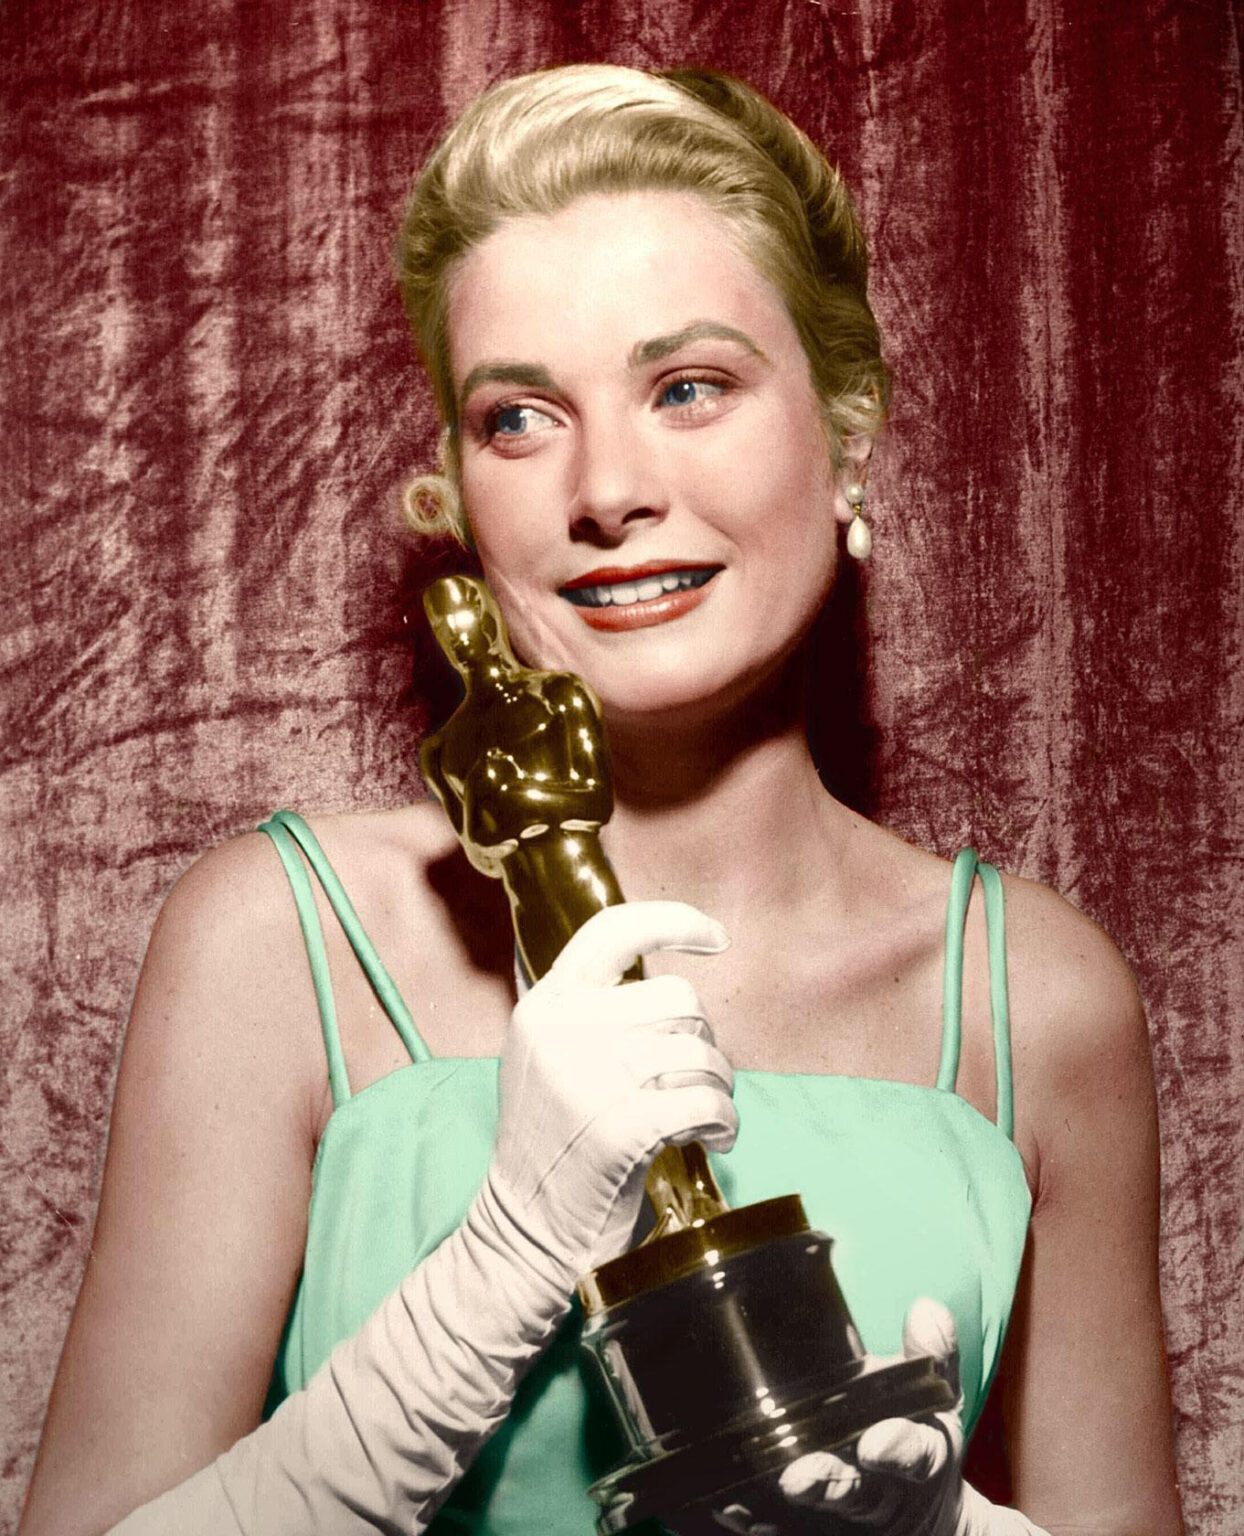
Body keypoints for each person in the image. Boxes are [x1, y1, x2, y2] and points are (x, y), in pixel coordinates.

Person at [19, 64, 1182, 1536]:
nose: (609, 489)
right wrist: (493, 1270)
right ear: (459, 494)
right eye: (519, 417)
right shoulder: (279, 942)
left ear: (848, 434)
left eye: (689, 388)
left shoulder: (1038, 1000)